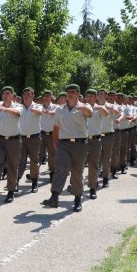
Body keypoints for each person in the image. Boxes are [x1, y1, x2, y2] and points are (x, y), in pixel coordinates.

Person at [42, 84, 93, 212]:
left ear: (78, 93)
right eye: (68, 92)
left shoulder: (84, 107)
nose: (70, 94)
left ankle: (77, 199)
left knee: (77, 173)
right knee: (61, 169)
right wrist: (54, 143)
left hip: (80, 144)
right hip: (64, 144)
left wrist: (83, 108)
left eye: (73, 92)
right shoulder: (60, 110)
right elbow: (56, 127)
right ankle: (54, 196)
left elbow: (89, 112)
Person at [0, 86, 21, 203]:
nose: (5, 95)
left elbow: (17, 113)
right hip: (1, 140)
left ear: (12, 95)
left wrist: (5, 109)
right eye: (4, 94)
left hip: (14, 140)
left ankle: (11, 192)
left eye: (7, 93)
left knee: (12, 166)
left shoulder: (18, 107)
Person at [17, 87, 43, 194]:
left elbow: (40, 112)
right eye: (25, 94)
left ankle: (34, 182)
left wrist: (30, 109)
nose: (26, 96)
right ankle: (16, 182)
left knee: (34, 161)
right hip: (22, 138)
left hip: (34, 138)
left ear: (33, 95)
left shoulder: (37, 106)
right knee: (20, 161)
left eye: (28, 94)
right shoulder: (19, 107)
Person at [84, 89, 109, 199]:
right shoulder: (80, 108)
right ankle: (76, 186)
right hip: (81, 140)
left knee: (93, 165)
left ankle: (92, 188)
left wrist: (100, 107)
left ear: (95, 98)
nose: (89, 98)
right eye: (87, 96)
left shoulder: (99, 109)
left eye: (91, 96)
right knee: (77, 165)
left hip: (95, 140)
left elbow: (106, 114)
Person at [98, 88, 120, 188]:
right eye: (99, 94)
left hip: (107, 135)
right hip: (95, 135)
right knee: (95, 158)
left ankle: (105, 178)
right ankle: (94, 179)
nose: (100, 95)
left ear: (106, 96)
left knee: (107, 158)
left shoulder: (111, 105)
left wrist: (110, 108)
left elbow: (117, 112)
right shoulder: (93, 106)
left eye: (102, 94)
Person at [39, 91, 58, 183]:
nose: (46, 97)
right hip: (41, 134)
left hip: (51, 134)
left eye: (48, 96)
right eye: (44, 96)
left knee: (52, 155)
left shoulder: (55, 107)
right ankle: (34, 174)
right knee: (38, 154)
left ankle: (52, 173)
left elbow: (55, 112)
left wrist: (47, 112)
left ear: (51, 97)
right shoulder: (39, 107)